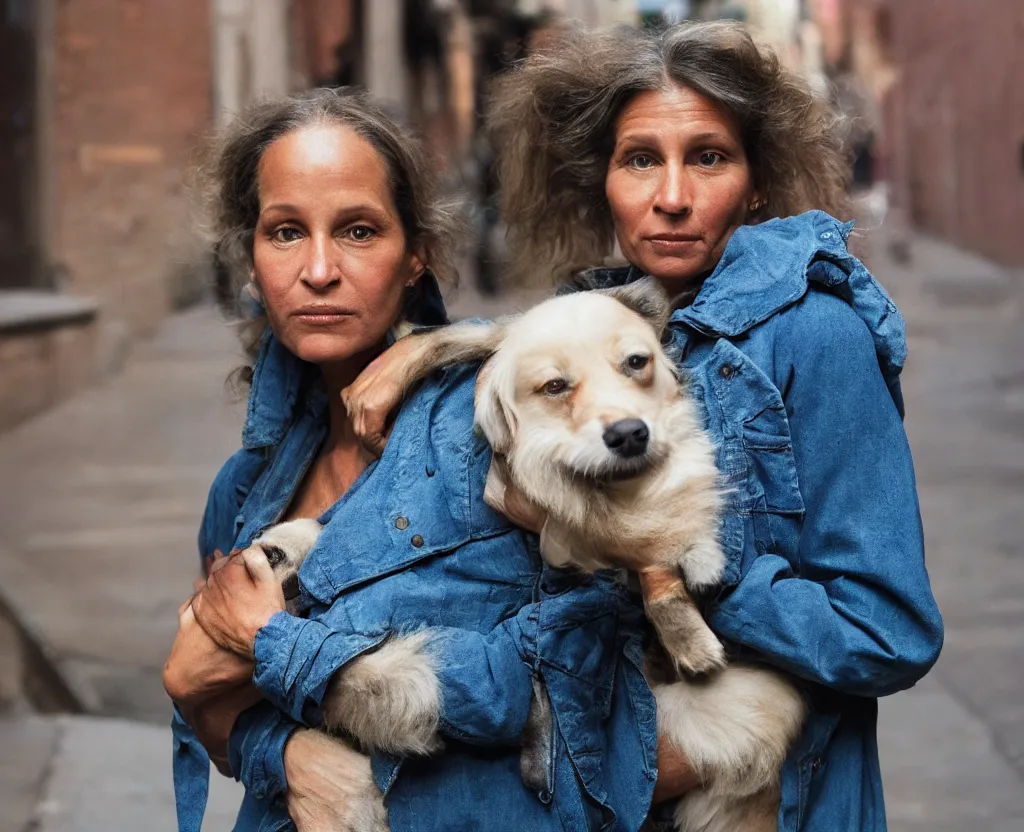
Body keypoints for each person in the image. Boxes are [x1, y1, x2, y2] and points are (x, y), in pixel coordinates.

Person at [347, 21, 943, 831]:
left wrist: (679, 568)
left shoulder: (815, 337)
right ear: (600, 182)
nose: (671, 196)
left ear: (758, 181)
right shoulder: (623, 318)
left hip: (774, 802)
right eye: (639, 160)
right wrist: (430, 352)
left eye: (709, 157)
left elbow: (888, 631)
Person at [162, 87, 664, 832]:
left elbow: (549, 692)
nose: (320, 269)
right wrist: (292, 757)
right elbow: (218, 715)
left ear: (415, 255)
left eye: (359, 231)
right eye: (286, 232)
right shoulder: (245, 491)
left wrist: (273, 648)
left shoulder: (493, 429)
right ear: (251, 258)